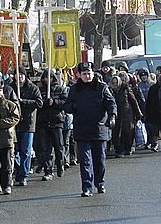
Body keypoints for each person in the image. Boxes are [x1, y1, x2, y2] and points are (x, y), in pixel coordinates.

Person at [65, 62, 117, 197]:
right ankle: (87, 186)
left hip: (99, 128)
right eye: (84, 74)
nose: (87, 76)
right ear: (79, 75)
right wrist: (74, 106)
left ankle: (100, 183)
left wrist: (112, 117)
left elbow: (111, 104)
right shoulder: (74, 89)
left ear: (93, 73)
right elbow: (67, 106)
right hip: (82, 129)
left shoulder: (101, 87)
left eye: (89, 73)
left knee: (99, 159)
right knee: (85, 160)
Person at [11, 66, 43, 186]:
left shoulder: (33, 88)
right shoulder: (10, 88)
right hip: (14, 123)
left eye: (21, 74)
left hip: (28, 123)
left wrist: (23, 101)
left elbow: (39, 103)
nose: (19, 77)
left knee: (26, 151)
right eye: (17, 74)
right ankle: (19, 170)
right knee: (15, 150)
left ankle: (24, 175)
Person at [36, 69, 68, 181]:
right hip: (43, 121)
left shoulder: (60, 89)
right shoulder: (39, 90)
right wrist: (45, 103)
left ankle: (60, 165)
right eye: (44, 77)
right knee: (45, 148)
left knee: (59, 146)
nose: (46, 79)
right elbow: (38, 103)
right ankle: (48, 170)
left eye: (48, 77)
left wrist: (54, 102)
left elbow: (65, 103)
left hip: (56, 120)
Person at [112, 72, 142, 157]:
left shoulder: (126, 89)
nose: (115, 84)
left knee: (127, 132)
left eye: (116, 82)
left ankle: (128, 148)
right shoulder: (111, 91)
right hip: (116, 114)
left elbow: (133, 101)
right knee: (117, 133)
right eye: (113, 83)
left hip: (127, 113)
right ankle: (119, 150)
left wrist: (138, 113)